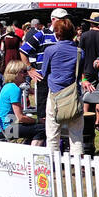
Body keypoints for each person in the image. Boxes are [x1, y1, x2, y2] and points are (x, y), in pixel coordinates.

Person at [40, 18, 93, 155]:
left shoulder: (50, 50)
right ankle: (78, 165)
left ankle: (53, 166)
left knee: (52, 135)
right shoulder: (79, 52)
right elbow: (80, 73)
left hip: (55, 96)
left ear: (57, 34)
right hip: (74, 95)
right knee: (76, 136)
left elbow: (44, 72)